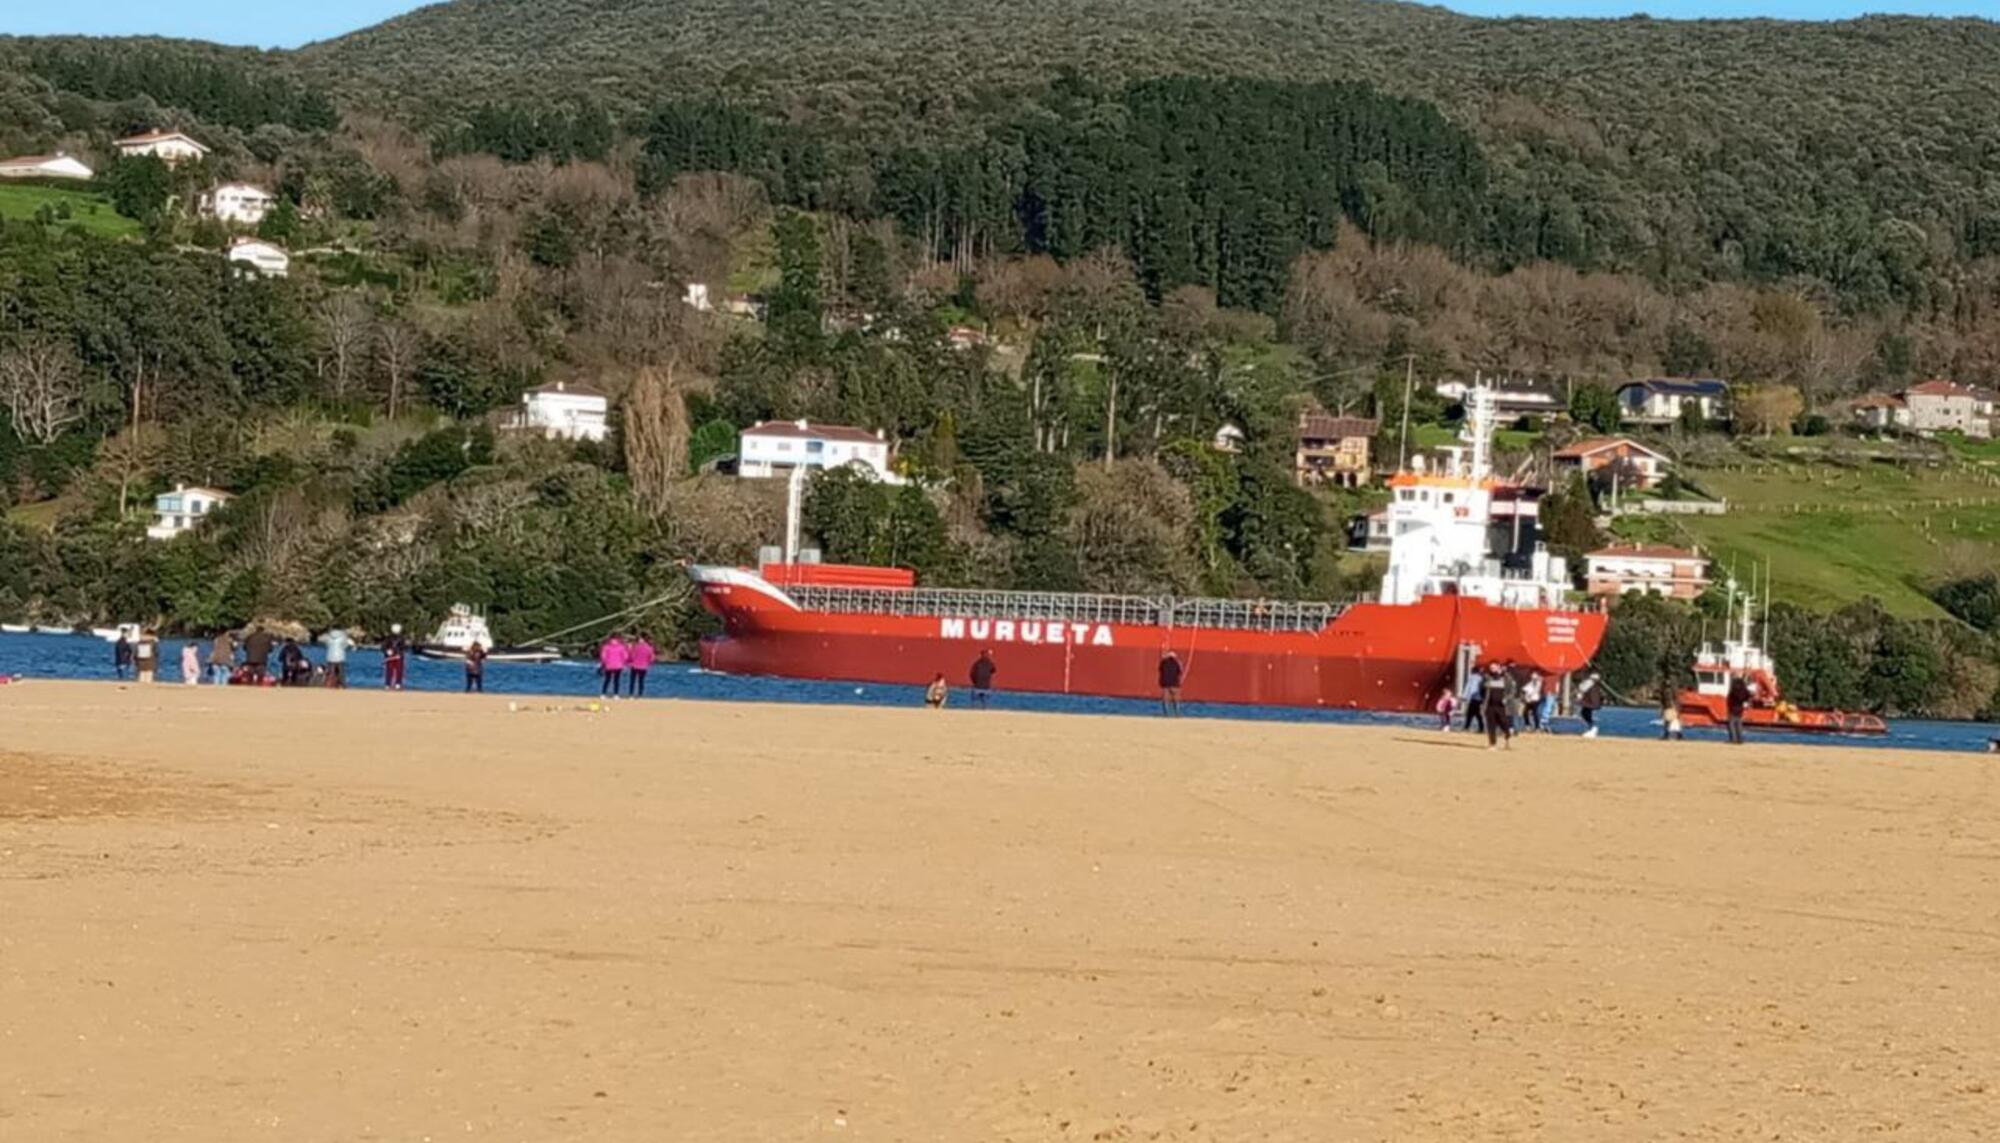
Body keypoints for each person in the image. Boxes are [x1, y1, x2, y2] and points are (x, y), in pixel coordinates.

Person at [1481, 664, 1511, 750]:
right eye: (1490, 668)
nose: (1492, 669)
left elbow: (1511, 690)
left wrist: (1506, 699)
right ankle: (1492, 744)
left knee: (1503, 722)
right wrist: (1483, 702)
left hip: (1501, 705)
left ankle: (1507, 734)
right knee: (1491, 725)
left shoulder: (1506, 678)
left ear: (1498, 668)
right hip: (1490, 705)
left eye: (1494, 668)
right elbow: (1482, 689)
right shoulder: (1487, 677)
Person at [599, 633, 629, 699]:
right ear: (618, 639)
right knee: (616, 680)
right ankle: (616, 695)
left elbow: (603, 657)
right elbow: (625, 657)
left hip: (608, 665)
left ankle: (603, 694)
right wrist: (624, 664)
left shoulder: (606, 647)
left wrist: (603, 664)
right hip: (618, 666)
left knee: (607, 680)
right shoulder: (621, 647)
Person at [1577, 670, 1605, 739]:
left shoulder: (1590, 681)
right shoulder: (1595, 682)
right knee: (1585, 713)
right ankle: (1591, 728)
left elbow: (1582, 688)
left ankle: (1592, 728)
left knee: (1585, 713)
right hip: (1592, 701)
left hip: (1590, 701)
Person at [1725, 673, 1752, 745]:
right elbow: (1748, 696)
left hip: (1733, 708)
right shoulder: (1743, 691)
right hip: (1740, 708)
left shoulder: (1733, 690)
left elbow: (1730, 699)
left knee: (1732, 724)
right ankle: (1740, 739)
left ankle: (1733, 739)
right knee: (1739, 724)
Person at [381, 624, 408, 691]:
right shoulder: (390, 638)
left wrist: (399, 654)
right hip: (392, 657)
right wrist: (387, 652)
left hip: (397, 657)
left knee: (396, 671)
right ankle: (390, 684)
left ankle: (394, 685)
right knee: (392, 671)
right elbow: (384, 647)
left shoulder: (400, 638)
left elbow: (403, 648)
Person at [627, 634, 655, 698]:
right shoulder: (649, 648)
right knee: (641, 681)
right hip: (643, 666)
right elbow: (652, 658)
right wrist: (648, 663)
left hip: (634, 666)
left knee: (633, 681)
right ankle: (640, 695)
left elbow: (631, 656)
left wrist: (629, 662)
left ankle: (631, 695)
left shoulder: (635, 647)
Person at [1158, 650, 1184, 717]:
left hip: (1165, 683)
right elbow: (1180, 671)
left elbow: (1160, 669)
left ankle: (1166, 714)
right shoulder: (1176, 663)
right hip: (1174, 683)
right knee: (1176, 699)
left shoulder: (1164, 662)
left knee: (1165, 699)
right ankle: (1177, 714)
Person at [1460, 669, 1485, 733]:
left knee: (1470, 714)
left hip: (1473, 698)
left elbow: (1469, 687)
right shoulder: (1481, 678)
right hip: (1479, 698)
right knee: (1477, 714)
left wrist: (1464, 696)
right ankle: (1481, 727)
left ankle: (1467, 727)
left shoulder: (1471, 678)